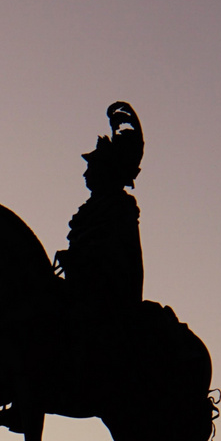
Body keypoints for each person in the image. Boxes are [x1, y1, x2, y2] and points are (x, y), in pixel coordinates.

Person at [55, 101, 145, 341]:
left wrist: (80, 259)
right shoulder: (88, 211)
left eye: (91, 167)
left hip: (106, 297)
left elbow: (115, 253)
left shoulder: (119, 206)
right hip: (80, 288)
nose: (86, 174)